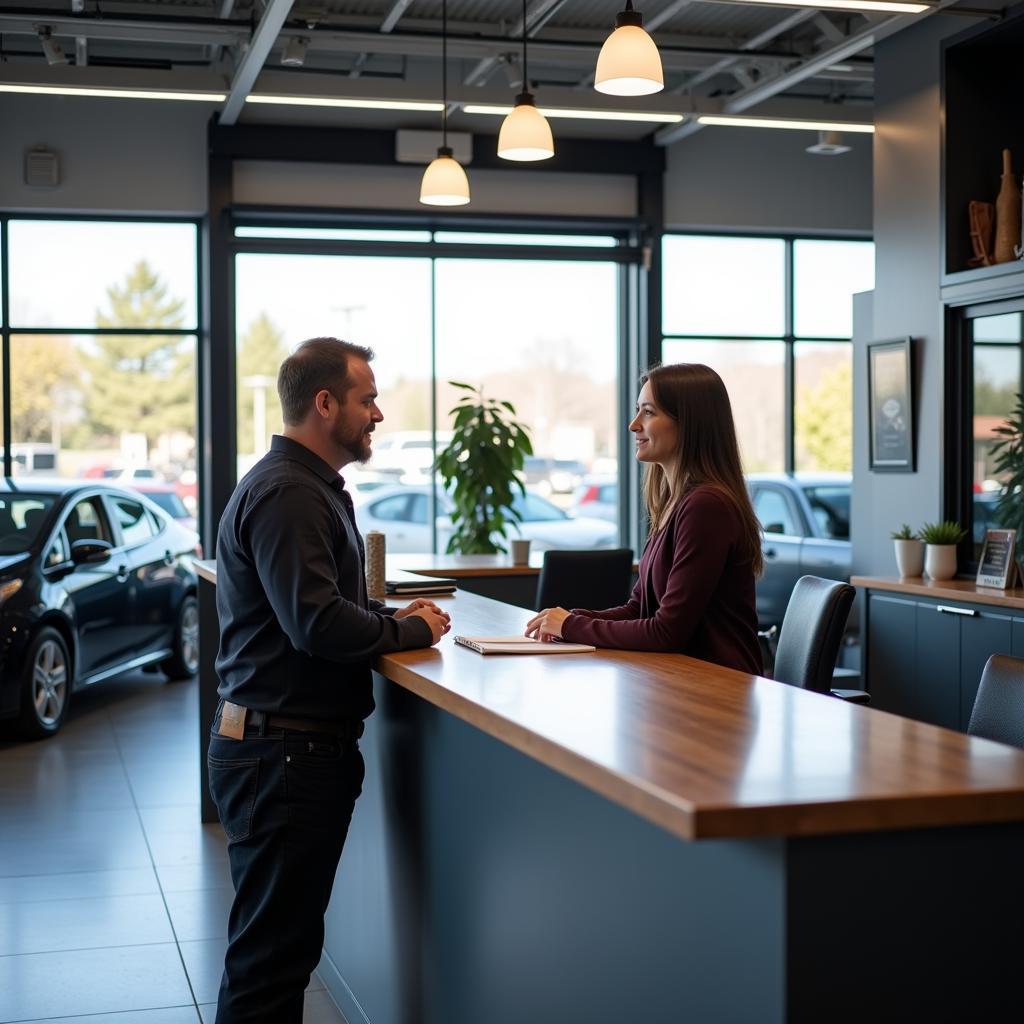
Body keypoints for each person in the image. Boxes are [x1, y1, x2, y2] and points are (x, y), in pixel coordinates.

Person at [209, 337, 451, 1023]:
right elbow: (315, 624)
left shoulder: (301, 486)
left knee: (274, 954)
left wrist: (384, 616)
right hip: (281, 757)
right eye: (366, 399)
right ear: (324, 403)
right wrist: (407, 630)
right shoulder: (289, 493)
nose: (377, 414)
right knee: (269, 965)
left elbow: (321, 605)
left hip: (280, 752)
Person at [525, 362, 762, 673]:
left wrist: (570, 625)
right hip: (680, 678)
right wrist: (569, 619)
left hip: (719, 688)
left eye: (648, 412)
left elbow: (667, 632)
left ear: (689, 423)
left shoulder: (707, 506)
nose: (633, 424)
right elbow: (639, 608)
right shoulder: (674, 503)